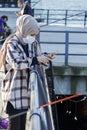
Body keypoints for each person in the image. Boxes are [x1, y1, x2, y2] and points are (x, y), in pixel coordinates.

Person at [0, 14, 55, 130]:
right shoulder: (11, 43)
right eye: (32, 34)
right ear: (24, 30)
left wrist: (47, 58)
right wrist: (36, 60)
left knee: (23, 126)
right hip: (13, 93)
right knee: (14, 126)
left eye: (35, 34)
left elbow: (38, 59)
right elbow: (17, 63)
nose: (33, 37)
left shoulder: (33, 43)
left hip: (26, 94)